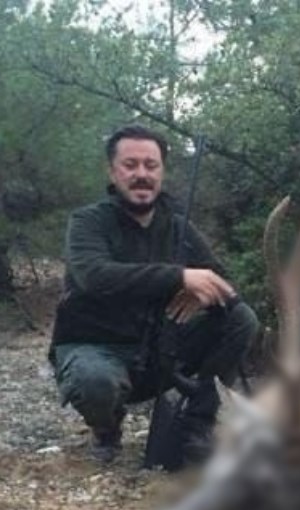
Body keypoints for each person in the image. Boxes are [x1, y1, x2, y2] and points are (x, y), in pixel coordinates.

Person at [49, 124, 259, 464]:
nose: (141, 174)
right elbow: (95, 276)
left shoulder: (177, 226)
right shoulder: (87, 222)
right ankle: (106, 426)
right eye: (130, 165)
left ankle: (197, 418)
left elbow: (225, 283)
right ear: (112, 171)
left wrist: (206, 294)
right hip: (98, 348)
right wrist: (180, 277)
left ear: (162, 171)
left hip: (159, 350)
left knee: (241, 319)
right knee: (94, 382)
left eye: (151, 165)